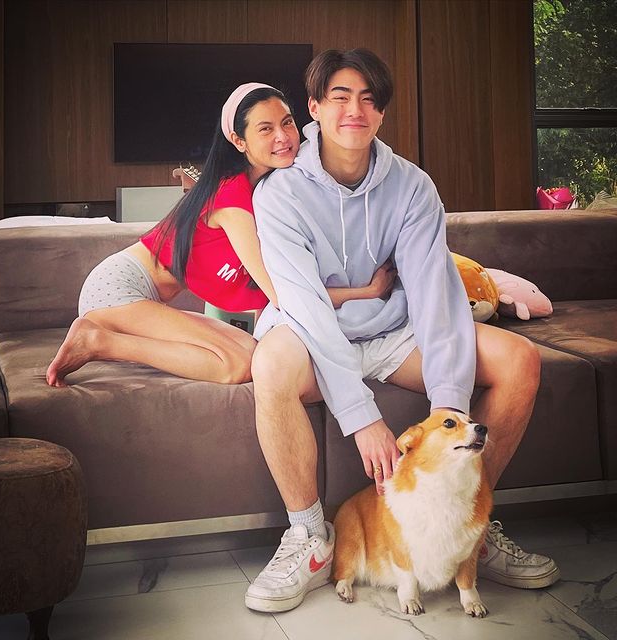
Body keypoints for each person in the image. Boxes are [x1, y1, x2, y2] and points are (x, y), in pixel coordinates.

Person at [244, 49, 560, 613]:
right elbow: (307, 307)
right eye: (340, 97)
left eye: (369, 100)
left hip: (393, 333)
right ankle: (310, 538)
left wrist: (448, 414)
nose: (355, 111)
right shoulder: (278, 192)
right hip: (309, 335)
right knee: (268, 363)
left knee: (520, 359)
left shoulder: (413, 186)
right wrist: (362, 417)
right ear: (313, 107)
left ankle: (470, 527)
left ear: (382, 113)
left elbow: (436, 296)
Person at [47, 83, 395, 387]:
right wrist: (365, 292)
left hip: (143, 300)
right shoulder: (233, 199)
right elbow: (284, 294)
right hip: (116, 291)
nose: (283, 136)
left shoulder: (265, 194)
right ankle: (97, 341)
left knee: (250, 353)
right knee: (237, 365)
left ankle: (103, 338)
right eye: (266, 128)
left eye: (287, 122)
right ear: (239, 141)